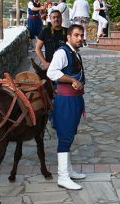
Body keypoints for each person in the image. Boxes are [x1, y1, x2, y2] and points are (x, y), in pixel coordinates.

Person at [47, 24, 86, 190]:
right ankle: (63, 177)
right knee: (65, 136)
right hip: (66, 101)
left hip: (76, 100)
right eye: (76, 35)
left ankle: (68, 170)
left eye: (81, 35)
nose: (80, 38)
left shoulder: (74, 53)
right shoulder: (62, 52)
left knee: (69, 134)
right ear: (69, 37)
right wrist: (71, 80)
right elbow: (51, 72)